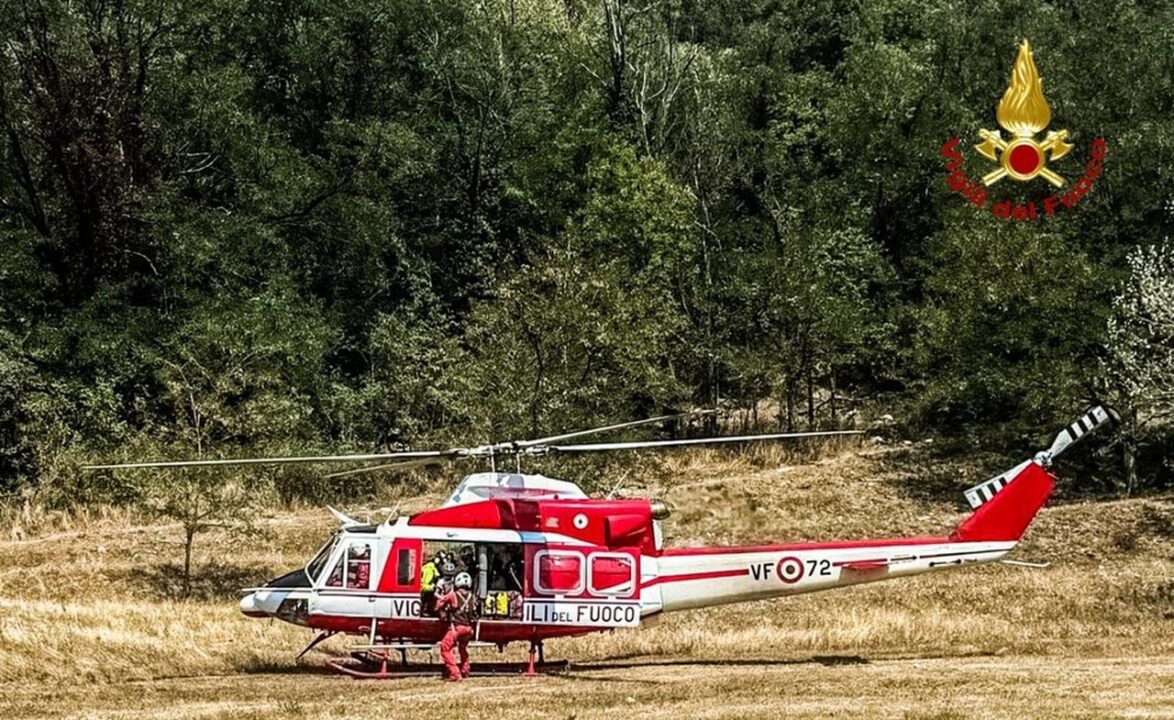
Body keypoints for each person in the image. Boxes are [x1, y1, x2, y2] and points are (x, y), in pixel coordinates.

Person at [436, 571, 479, 681]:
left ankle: (455, 673)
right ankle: (465, 670)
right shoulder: (472, 597)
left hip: (457, 628)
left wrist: (442, 610)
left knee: (445, 648)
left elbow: (439, 604)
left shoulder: (453, 595)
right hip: (469, 629)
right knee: (462, 649)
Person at [420, 551, 440, 616]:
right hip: (427, 588)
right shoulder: (431, 567)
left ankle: (422, 611)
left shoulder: (424, 567)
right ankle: (426, 611)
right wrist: (433, 586)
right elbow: (437, 575)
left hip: (422, 587)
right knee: (428, 600)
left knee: (423, 600)